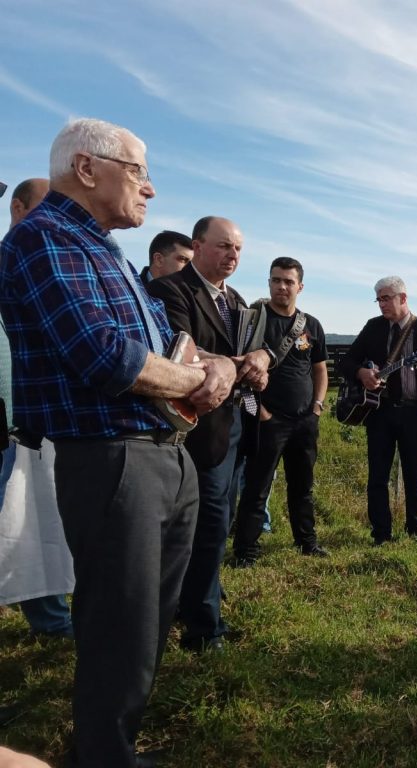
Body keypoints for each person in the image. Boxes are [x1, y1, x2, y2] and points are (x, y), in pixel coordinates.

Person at [0, 118, 236, 767]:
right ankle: (104, 755)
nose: (151, 189)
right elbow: (104, 355)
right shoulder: (42, 239)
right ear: (86, 169)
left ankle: (116, 739)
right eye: (138, 170)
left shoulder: (106, 251)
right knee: (118, 624)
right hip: (111, 457)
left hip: (162, 452)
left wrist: (216, 365)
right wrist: (199, 378)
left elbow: (167, 342)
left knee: (150, 617)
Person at [147, 216, 273, 653]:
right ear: (197, 246)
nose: (232, 256)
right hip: (190, 430)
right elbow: (183, 355)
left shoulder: (236, 300)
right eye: (223, 247)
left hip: (232, 427)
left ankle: (200, 604)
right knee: (203, 527)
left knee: (216, 523)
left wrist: (260, 357)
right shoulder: (170, 291)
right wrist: (243, 363)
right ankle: (203, 629)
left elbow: (252, 353)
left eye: (237, 250)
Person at [0, 177, 73, 639]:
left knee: (30, 520)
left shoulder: (45, 268)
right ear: (19, 210)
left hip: (24, 421)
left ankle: (49, 616)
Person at [338, 276, 417, 545]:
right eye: (378, 298)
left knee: (416, 476)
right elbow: (346, 362)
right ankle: (381, 534)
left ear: (403, 298)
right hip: (380, 412)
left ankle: (416, 533)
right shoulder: (374, 327)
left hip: (415, 413)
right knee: (377, 476)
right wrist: (361, 372)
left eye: (386, 298)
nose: (382, 304)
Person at [232, 257, 329, 565]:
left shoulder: (310, 325)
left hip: (305, 420)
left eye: (288, 281)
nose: (282, 287)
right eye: (276, 280)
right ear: (269, 283)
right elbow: (241, 370)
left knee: (302, 486)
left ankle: (307, 542)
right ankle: (246, 550)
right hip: (268, 420)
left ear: (300, 286)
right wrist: (261, 414)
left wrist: (317, 406)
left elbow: (319, 369)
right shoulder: (254, 321)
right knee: (257, 488)